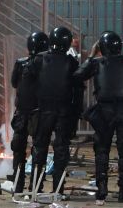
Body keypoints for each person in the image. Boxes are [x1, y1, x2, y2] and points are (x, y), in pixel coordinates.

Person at [74, 31, 123, 203]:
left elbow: (77, 76)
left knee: (102, 149)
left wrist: (91, 55)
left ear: (102, 47)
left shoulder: (97, 63)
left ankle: (102, 189)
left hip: (104, 110)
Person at [30, 27, 80, 194]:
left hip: (43, 110)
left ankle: (35, 187)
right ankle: (58, 190)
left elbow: (27, 85)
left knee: (39, 148)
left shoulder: (38, 60)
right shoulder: (72, 63)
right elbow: (77, 91)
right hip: (64, 112)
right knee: (61, 150)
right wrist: (76, 115)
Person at [10, 31, 49, 193]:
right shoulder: (48, 63)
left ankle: (18, 184)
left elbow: (14, 83)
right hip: (39, 112)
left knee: (19, 149)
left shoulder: (21, 63)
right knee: (38, 149)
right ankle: (35, 186)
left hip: (22, 112)